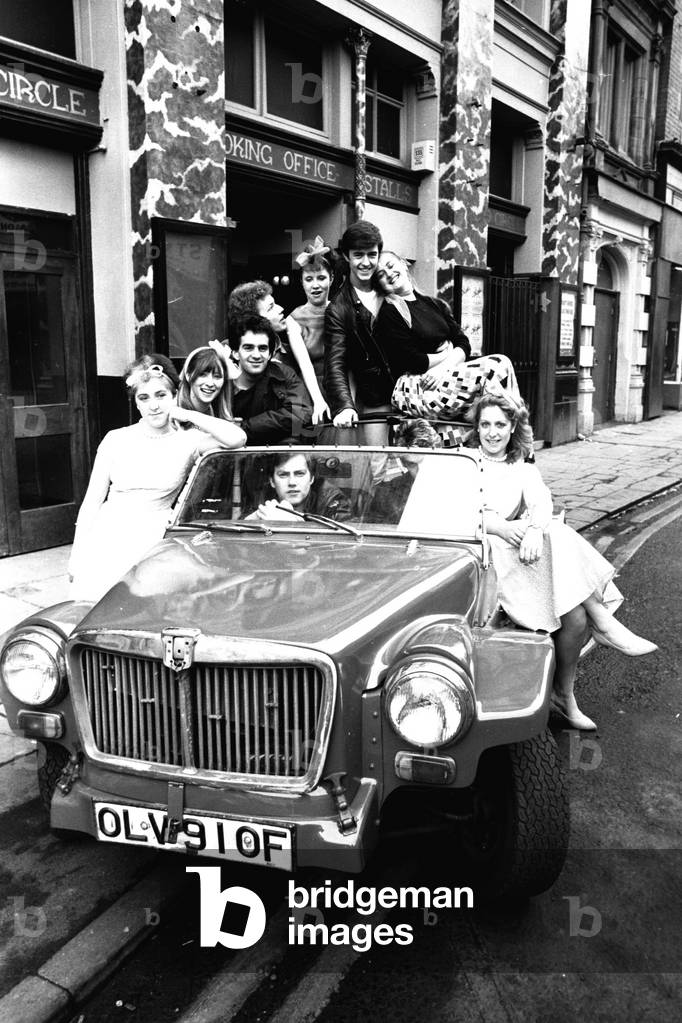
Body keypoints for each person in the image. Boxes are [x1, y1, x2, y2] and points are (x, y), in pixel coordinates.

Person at [470, 392, 657, 730]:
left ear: (512, 426)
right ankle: (604, 622)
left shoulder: (520, 465)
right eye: (485, 424)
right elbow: (442, 509)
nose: (492, 432)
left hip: (519, 557)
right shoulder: (464, 461)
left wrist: (532, 531)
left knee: (575, 615)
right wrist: (493, 524)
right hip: (482, 561)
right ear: (477, 427)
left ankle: (564, 693)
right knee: (555, 535)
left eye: (500, 424)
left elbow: (542, 502)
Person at [68, 355, 246, 601]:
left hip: (153, 536)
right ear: (136, 404)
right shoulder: (115, 439)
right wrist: (77, 556)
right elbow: (91, 504)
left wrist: (188, 415)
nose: (153, 405)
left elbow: (237, 438)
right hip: (108, 533)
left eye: (161, 395)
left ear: (174, 395)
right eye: (144, 398)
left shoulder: (188, 441)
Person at [374, 251, 522, 420]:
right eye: (381, 274)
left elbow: (463, 342)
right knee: (497, 367)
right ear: (380, 284)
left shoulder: (434, 304)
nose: (389, 274)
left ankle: (503, 430)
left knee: (501, 372)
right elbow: (412, 360)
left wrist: (442, 368)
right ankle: (516, 433)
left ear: (403, 264)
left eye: (391, 266)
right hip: (419, 389)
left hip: (445, 377)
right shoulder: (390, 312)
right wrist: (447, 353)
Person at [324, 219, 394, 444]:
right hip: (376, 399)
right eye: (358, 255)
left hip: (410, 394)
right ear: (346, 256)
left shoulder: (391, 289)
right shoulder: (338, 307)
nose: (366, 262)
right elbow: (335, 363)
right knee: (378, 467)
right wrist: (344, 406)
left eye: (372, 255)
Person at [228, 278, 328, 425]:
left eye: (263, 349)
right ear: (254, 319)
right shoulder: (228, 353)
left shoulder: (292, 352)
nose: (281, 309)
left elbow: (300, 414)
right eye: (271, 308)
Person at [229, 316, 312, 443]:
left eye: (262, 348)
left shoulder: (283, 374)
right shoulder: (221, 380)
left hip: (276, 453)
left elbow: (300, 413)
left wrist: (245, 427)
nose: (256, 355)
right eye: (248, 348)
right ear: (235, 353)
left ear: (270, 354)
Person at [286, 236, 334, 423]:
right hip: (309, 392)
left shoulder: (341, 311)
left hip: (342, 389)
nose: (315, 285)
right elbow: (305, 365)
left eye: (321, 278)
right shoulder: (293, 319)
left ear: (331, 279)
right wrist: (319, 401)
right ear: (302, 282)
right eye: (309, 279)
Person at [248, 451, 351, 521]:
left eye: (299, 474)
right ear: (272, 481)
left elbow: (346, 546)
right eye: (283, 475)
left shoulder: (331, 499)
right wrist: (255, 517)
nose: (292, 482)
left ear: (311, 478)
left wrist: (291, 524)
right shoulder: (260, 496)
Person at [177, 345, 233, 420]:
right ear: (188, 376)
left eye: (217, 376)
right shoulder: (174, 413)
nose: (210, 383)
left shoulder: (218, 415)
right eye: (202, 375)